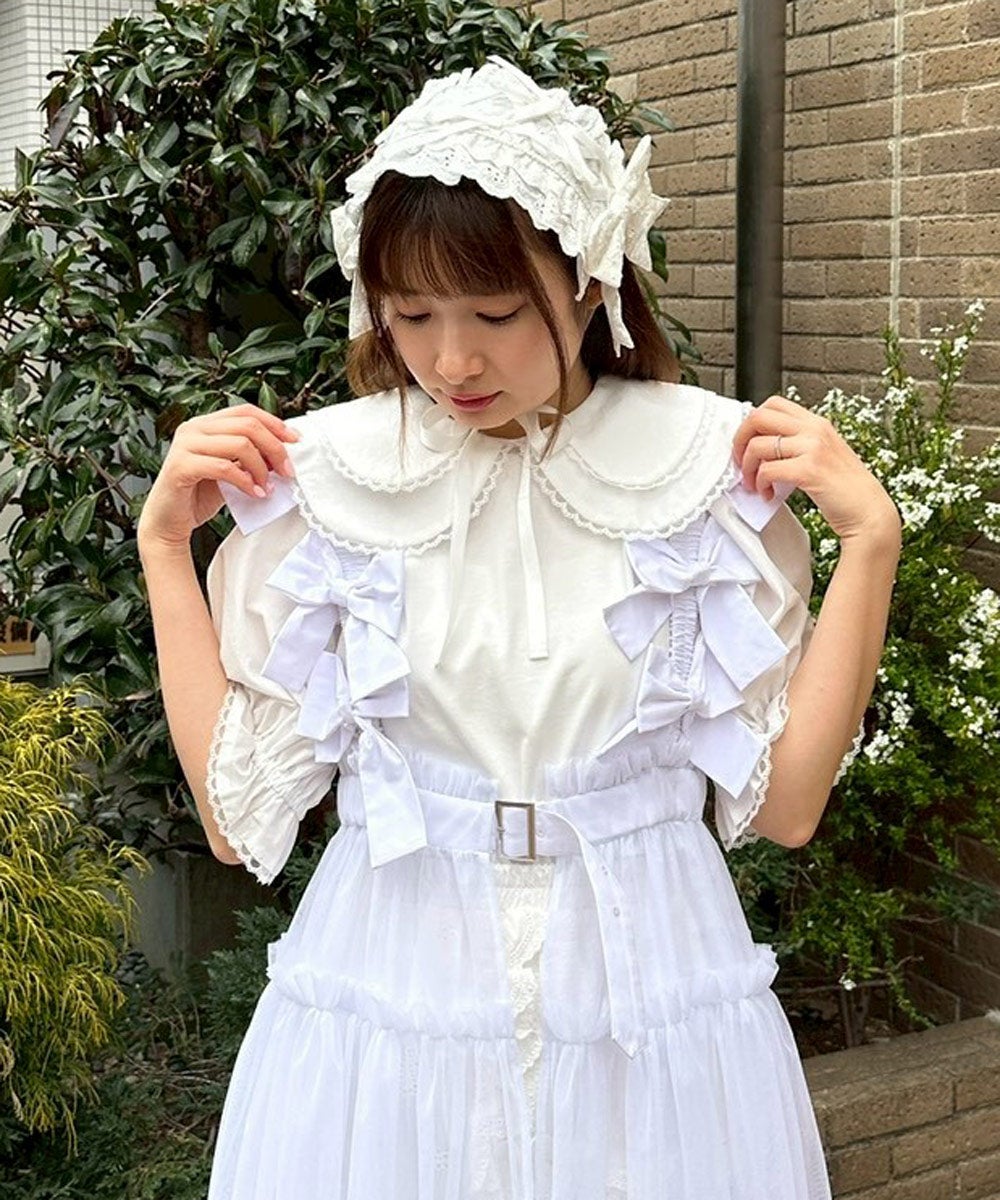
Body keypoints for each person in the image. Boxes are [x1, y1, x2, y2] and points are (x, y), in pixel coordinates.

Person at [137, 57, 901, 1200]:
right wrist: (164, 549)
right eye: (411, 314)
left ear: (590, 281)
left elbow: (786, 808)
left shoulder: (698, 471)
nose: (451, 359)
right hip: (396, 1013)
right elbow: (238, 822)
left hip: (647, 1014)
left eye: (495, 313)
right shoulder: (337, 481)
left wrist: (871, 543)